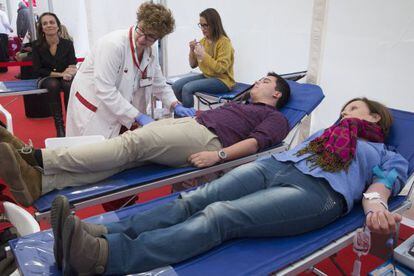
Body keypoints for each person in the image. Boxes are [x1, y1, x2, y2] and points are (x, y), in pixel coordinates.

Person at [47, 97, 409, 275]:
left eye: (355, 108)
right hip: (273, 167)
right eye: (344, 108)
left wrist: (376, 207)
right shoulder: (326, 134)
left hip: (317, 194)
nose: (345, 113)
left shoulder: (382, 150)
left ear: (375, 116)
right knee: (195, 198)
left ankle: (101, 258)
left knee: (220, 215)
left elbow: (383, 183)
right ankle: (99, 232)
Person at [0, 72, 291, 208]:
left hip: (207, 139)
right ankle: (42, 184)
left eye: (265, 81)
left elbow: (254, 144)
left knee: (130, 145)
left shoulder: (277, 119)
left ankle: (37, 157)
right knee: (128, 161)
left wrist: (219, 157)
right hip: (192, 127)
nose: (257, 82)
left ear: (276, 94)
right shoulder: (243, 105)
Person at [65, 2, 195, 139]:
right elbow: (104, 88)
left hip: (119, 108)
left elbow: (159, 84)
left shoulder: (151, 52)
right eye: (141, 30)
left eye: (150, 36)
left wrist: (174, 104)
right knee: (89, 152)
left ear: (158, 38)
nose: (142, 38)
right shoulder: (113, 45)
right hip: (93, 107)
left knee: (114, 151)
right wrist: (137, 116)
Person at [172, 8, 235, 108]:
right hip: (207, 76)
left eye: (206, 25)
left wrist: (204, 55)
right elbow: (193, 65)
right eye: (201, 25)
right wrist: (191, 50)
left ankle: (188, 119)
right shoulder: (203, 42)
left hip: (223, 80)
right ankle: (185, 113)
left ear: (214, 24)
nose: (203, 28)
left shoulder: (224, 42)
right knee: (176, 86)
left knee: (187, 88)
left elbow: (221, 68)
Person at [32, 12, 77, 137]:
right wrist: (60, 74)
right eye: (45, 23)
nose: (49, 25)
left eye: (52, 22)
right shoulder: (36, 46)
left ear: (58, 26)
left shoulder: (68, 44)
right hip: (46, 78)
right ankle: (60, 128)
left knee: (68, 84)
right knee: (53, 85)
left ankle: (71, 124)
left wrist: (69, 72)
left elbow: (72, 64)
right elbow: (38, 70)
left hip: (65, 77)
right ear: (41, 28)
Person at [0, 3, 13, 73]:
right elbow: (5, 23)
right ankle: (3, 69)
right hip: (2, 33)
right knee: (3, 51)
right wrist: (11, 29)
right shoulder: (2, 13)